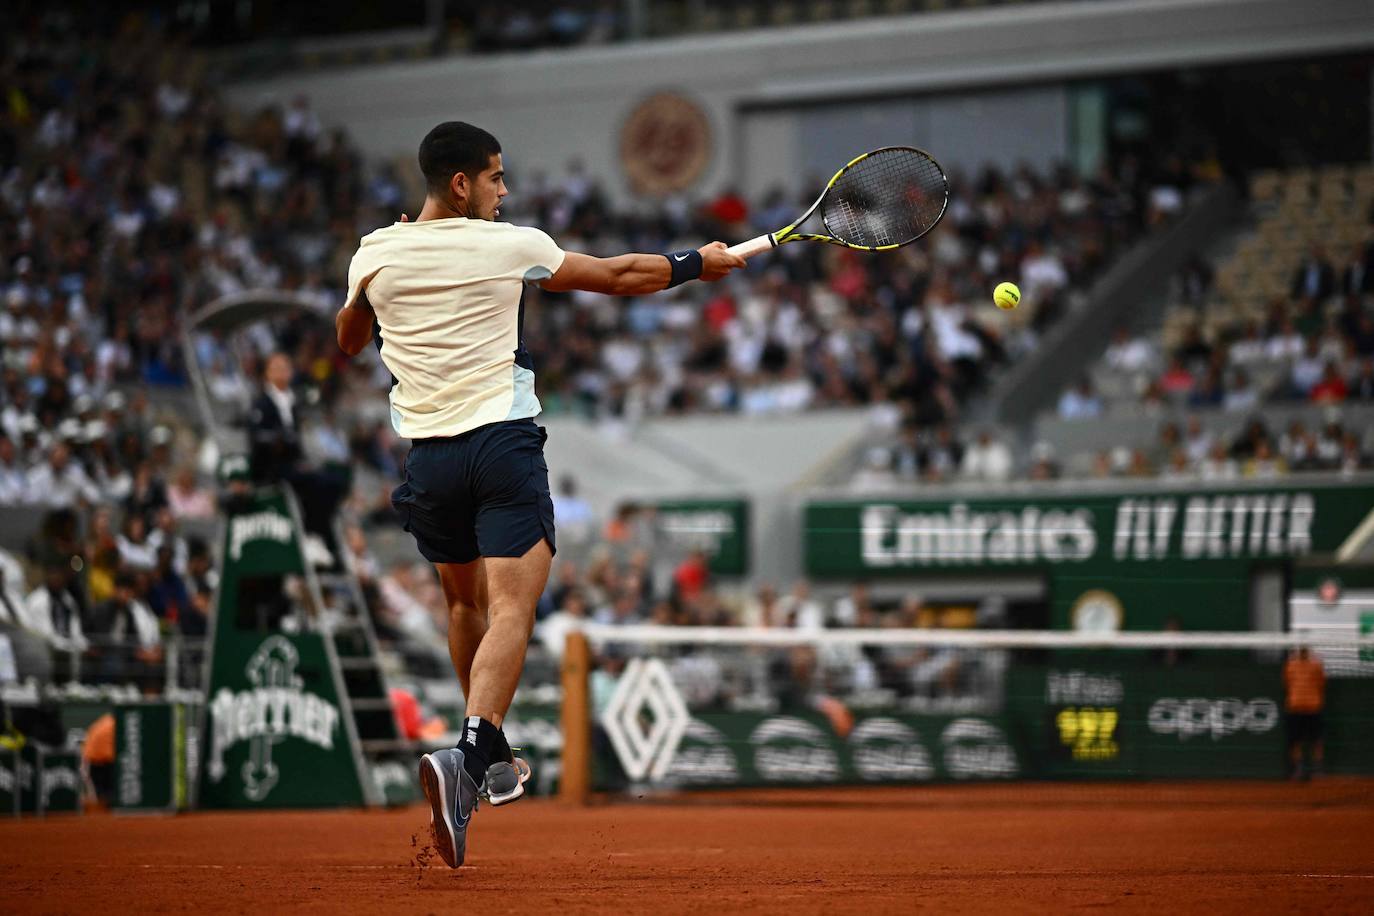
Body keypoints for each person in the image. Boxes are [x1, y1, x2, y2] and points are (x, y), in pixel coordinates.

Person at [336, 121, 744, 868]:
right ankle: (470, 754)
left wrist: (372, 282)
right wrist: (696, 262)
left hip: (427, 463)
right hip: (501, 447)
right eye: (495, 177)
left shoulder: (375, 249)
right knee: (515, 609)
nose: (505, 191)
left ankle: (484, 758)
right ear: (461, 185)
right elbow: (620, 277)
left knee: (466, 606)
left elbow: (349, 338)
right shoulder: (508, 243)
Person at [1283, 646, 1325, 781]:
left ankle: (1317, 769)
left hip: (1312, 707)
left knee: (1316, 740)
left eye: (1304, 648)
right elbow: (1287, 683)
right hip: (1295, 707)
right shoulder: (1291, 665)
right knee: (1296, 741)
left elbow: (1321, 683)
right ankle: (1298, 768)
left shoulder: (1316, 665)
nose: (1302, 651)